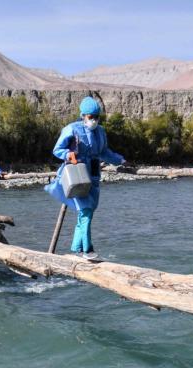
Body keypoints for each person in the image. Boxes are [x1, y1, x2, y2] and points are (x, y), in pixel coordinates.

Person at [45, 96, 126, 261]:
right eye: (91, 117)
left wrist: (120, 160)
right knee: (86, 212)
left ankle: (77, 248)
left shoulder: (101, 132)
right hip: (78, 175)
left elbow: (104, 152)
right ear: (83, 115)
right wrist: (68, 154)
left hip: (94, 174)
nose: (94, 120)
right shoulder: (72, 129)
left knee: (87, 211)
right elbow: (57, 150)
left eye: (97, 117)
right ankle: (88, 250)